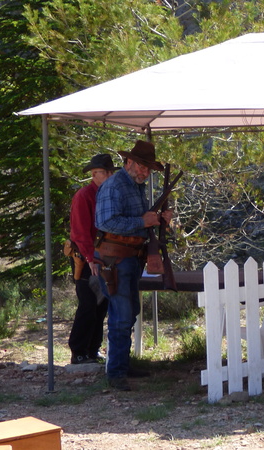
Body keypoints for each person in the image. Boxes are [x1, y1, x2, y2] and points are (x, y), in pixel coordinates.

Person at [95, 140, 172, 391]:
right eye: (141, 166)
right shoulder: (114, 185)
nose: (145, 172)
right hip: (115, 260)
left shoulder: (134, 186)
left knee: (129, 314)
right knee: (121, 316)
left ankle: (122, 365)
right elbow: (106, 223)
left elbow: (141, 221)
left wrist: (158, 219)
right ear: (128, 162)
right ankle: (115, 373)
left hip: (130, 259)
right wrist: (143, 220)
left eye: (148, 169)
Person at [67, 154, 115, 365]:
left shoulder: (112, 194)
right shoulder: (84, 196)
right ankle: (78, 352)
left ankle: (93, 351)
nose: (96, 177)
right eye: (94, 173)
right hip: (85, 256)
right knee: (87, 304)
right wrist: (90, 258)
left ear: (110, 174)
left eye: (100, 173)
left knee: (101, 305)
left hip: (106, 256)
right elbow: (79, 233)